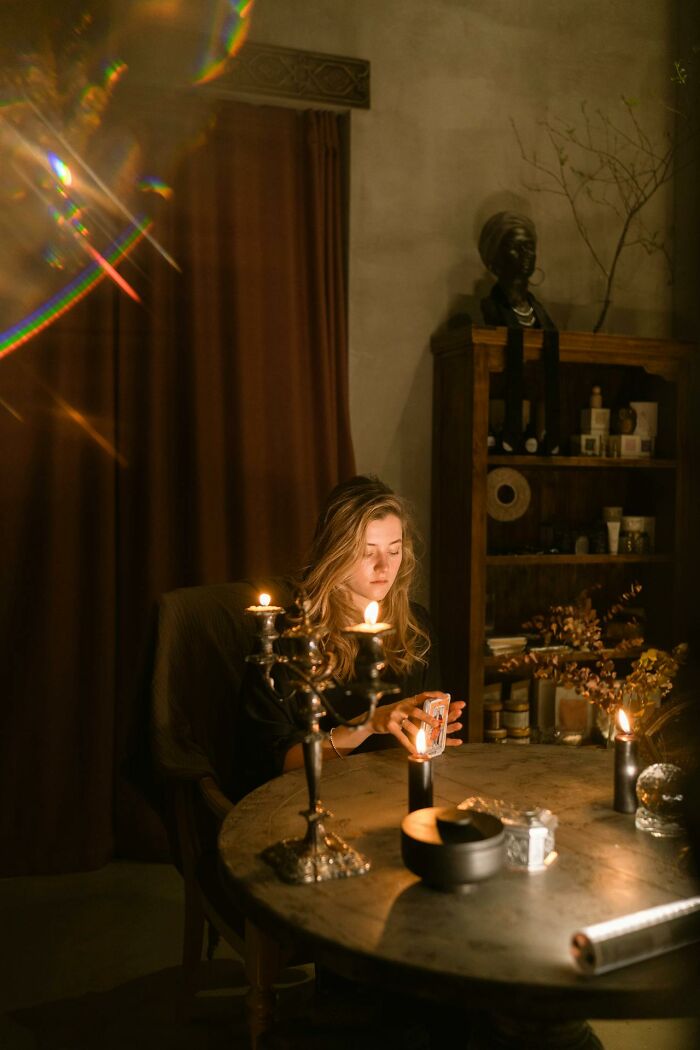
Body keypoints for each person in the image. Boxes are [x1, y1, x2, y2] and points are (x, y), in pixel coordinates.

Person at [233, 475, 464, 800]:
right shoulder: (291, 638)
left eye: (394, 550)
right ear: (336, 552)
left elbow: (414, 745)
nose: (384, 566)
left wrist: (428, 727)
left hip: (391, 797)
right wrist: (368, 724)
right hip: (310, 804)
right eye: (367, 552)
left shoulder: (415, 626)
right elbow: (277, 766)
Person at [478, 211, 561, 455]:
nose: (526, 254)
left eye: (530, 247)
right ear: (495, 257)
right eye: (516, 247)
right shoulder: (491, 307)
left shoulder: (541, 313)